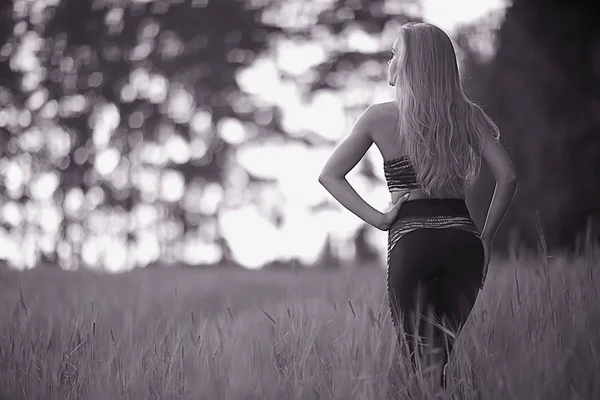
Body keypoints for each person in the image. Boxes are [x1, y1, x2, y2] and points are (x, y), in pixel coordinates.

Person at [318, 22, 517, 389]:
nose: (389, 60)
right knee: (441, 356)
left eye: (395, 53)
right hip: (463, 240)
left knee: (422, 368)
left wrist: (379, 220)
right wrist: (485, 239)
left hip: (411, 239)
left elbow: (330, 175)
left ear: (410, 63)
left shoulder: (378, 117)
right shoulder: (466, 115)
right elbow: (507, 176)